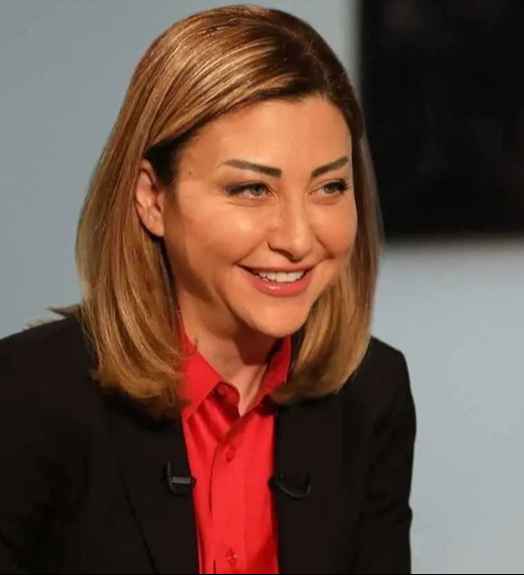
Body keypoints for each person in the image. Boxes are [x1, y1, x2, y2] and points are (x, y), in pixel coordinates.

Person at [0, 6, 414, 573]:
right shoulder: (26, 395)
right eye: (251, 189)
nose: (298, 239)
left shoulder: (371, 393)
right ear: (152, 198)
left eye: (330, 187)